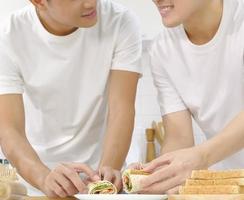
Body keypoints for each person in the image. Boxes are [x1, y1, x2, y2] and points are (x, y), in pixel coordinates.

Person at [0, 0, 142, 197]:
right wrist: (43, 178)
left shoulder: (120, 21)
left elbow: (122, 108)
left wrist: (104, 176)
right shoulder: (9, 34)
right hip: (38, 178)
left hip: (104, 174)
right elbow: (9, 129)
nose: (91, 3)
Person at [130, 0, 244, 194]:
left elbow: (199, 156)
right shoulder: (162, 49)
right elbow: (179, 138)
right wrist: (159, 173)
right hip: (231, 186)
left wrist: (202, 156)